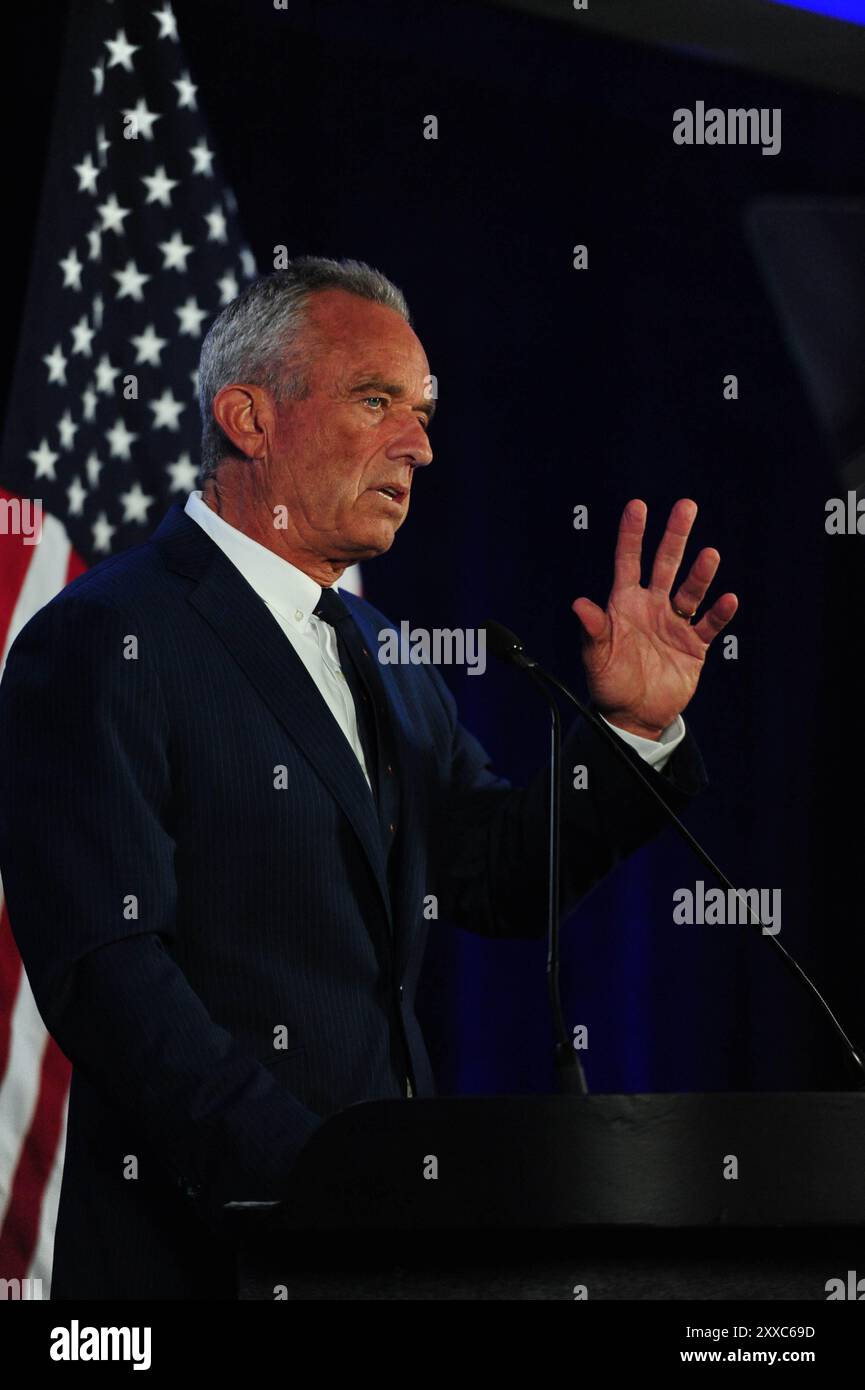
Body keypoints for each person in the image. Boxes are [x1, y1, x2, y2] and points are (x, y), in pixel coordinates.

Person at [0, 257, 737, 1300]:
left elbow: (491, 873)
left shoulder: (380, 647)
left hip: (385, 1253)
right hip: (209, 1258)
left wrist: (631, 732)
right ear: (250, 417)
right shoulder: (104, 637)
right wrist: (312, 1184)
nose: (420, 445)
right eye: (376, 401)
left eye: (424, 412)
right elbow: (111, 973)